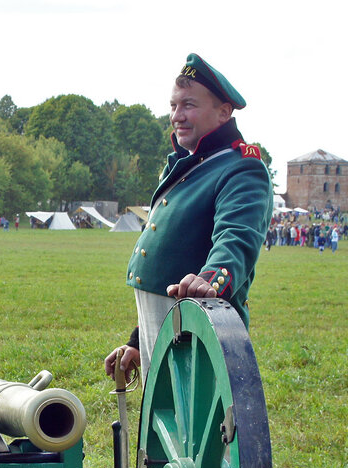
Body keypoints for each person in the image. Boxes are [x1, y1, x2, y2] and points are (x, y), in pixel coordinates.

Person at [104, 52, 271, 425]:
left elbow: (238, 236)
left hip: (200, 321)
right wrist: (137, 342)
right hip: (168, 324)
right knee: (166, 426)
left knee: (199, 434)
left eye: (189, 106)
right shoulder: (189, 164)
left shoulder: (242, 167)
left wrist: (212, 279)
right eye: (174, 106)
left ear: (224, 112)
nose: (177, 115)